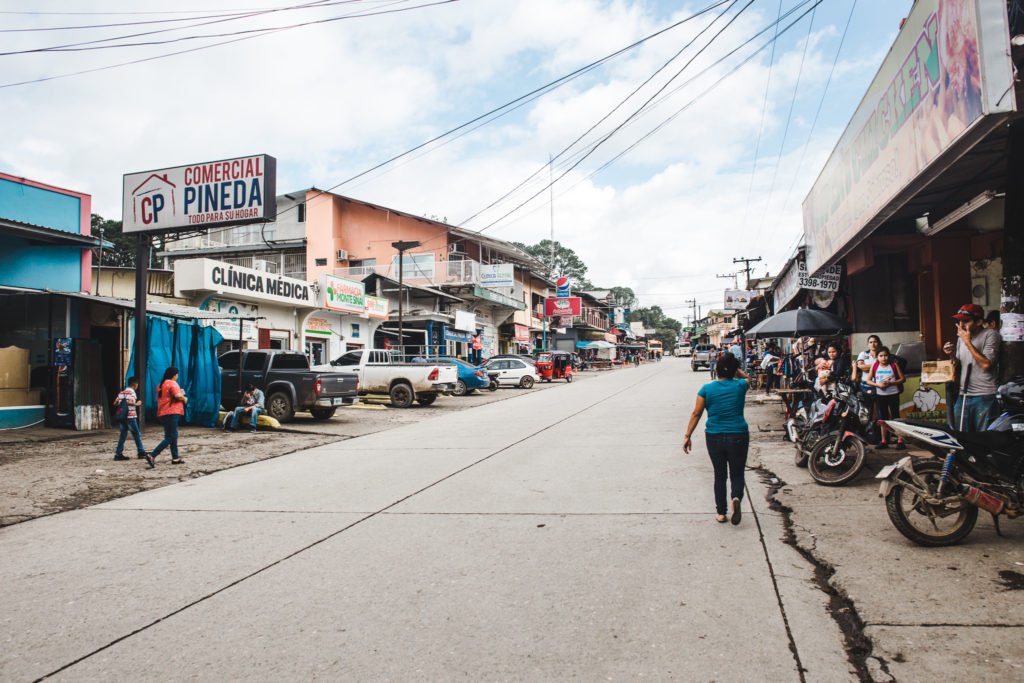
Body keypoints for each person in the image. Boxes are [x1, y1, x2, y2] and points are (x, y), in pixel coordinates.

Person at [683, 353, 749, 526]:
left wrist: (687, 436)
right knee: (737, 472)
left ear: (716, 370)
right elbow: (746, 377)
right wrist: (736, 370)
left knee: (720, 475)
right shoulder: (741, 385)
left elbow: (696, 413)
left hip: (714, 435)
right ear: (734, 370)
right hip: (738, 434)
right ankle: (736, 497)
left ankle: (721, 513)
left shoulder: (706, 389)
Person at [944, 303, 1000, 432]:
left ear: (979, 321)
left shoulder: (990, 335)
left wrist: (968, 342)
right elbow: (958, 363)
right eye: (959, 321)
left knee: (982, 437)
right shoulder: (961, 338)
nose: (961, 325)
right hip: (964, 393)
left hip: (984, 395)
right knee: (961, 435)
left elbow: (986, 364)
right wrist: (951, 354)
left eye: (966, 321)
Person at [146, 367, 188, 468]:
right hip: (173, 412)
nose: (177, 377)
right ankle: (152, 455)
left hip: (163, 412)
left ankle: (175, 458)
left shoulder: (160, 385)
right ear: (174, 375)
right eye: (177, 375)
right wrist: (184, 397)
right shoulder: (172, 383)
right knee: (172, 436)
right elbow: (177, 396)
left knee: (171, 435)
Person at [867, 346, 906, 449]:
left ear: (889, 356)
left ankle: (900, 440)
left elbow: (902, 379)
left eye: (885, 356)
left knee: (895, 417)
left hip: (893, 394)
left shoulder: (893, 365)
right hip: (881, 395)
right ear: (877, 357)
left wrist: (891, 383)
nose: (883, 358)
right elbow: (868, 380)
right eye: (881, 356)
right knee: (882, 418)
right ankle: (884, 441)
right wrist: (878, 385)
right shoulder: (875, 366)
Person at [112, 376, 146, 461]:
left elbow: (115, 403)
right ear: (135, 385)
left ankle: (118, 454)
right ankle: (141, 452)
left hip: (123, 417)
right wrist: (137, 404)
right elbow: (129, 402)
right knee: (136, 434)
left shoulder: (122, 393)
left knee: (123, 435)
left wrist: (122, 404)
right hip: (130, 417)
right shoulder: (132, 393)